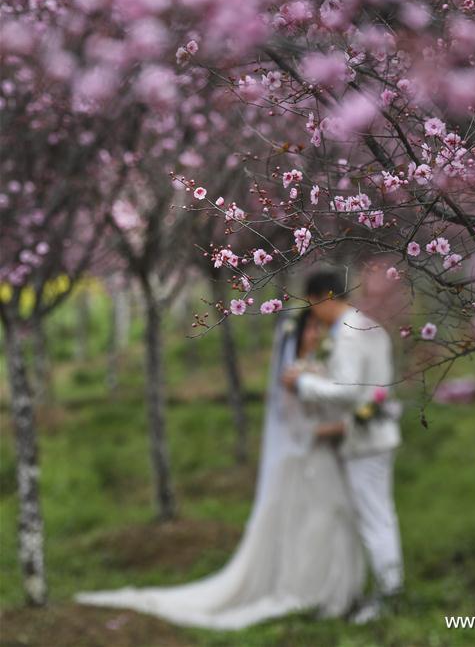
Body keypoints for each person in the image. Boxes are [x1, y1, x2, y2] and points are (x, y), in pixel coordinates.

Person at [76, 308, 365, 629]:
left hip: (324, 459)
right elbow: (297, 427)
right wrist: (344, 427)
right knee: (311, 524)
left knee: (328, 520)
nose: (316, 334)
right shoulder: (293, 374)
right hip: (305, 460)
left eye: (318, 327)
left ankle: (334, 591)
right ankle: (308, 589)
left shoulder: (320, 367)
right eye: (310, 328)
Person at [282, 268, 404, 623]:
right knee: (380, 516)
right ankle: (386, 587)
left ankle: (388, 594)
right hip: (376, 433)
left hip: (365, 441)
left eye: (312, 304)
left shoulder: (348, 332)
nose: (313, 314)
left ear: (324, 297)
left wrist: (304, 383)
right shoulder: (367, 325)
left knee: (374, 518)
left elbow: (350, 391)